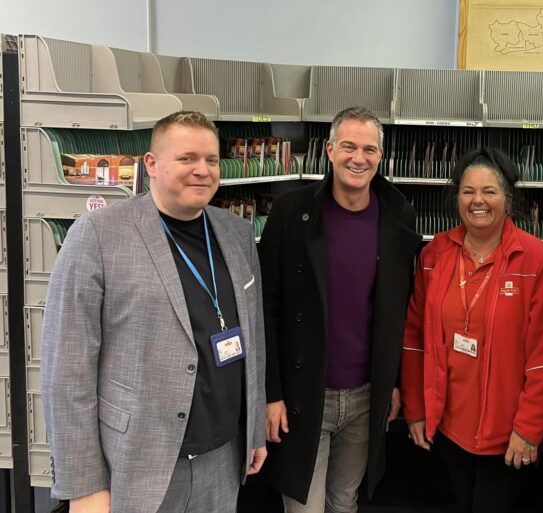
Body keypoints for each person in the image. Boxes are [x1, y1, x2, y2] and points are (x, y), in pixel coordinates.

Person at [41, 111, 267, 513]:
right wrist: (83, 484)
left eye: (211, 160)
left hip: (222, 458)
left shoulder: (235, 233)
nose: (202, 170)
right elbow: (66, 372)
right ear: (152, 164)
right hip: (136, 462)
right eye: (187, 158)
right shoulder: (97, 235)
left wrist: (253, 430)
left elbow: (253, 337)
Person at [259, 106, 421, 512]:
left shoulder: (398, 215)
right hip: (303, 394)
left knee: (345, 501)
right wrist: (270, 393)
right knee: (303, 505)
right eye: (348, 146)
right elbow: (267, 307)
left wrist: (395, 383)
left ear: (380, 157)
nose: (358, 158)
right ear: (329, 150)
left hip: (366, 396)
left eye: (369, 149)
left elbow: (398, 311)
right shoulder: (291, 213)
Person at [401, 147, 543, 513]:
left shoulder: (535, 258)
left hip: (508, 435)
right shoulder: (435, 254)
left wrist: (529, 429)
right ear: (456, 197)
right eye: (468, 191)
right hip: (449, 426)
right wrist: (416, 408)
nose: (478, 201)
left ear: (507, 198)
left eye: (489, 191)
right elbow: (413, 339)